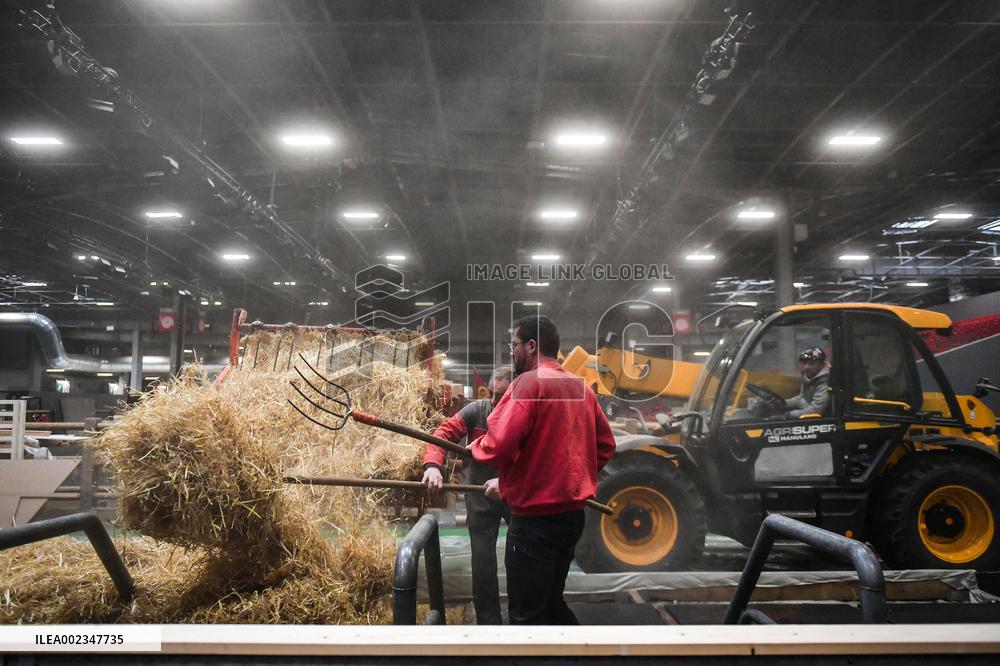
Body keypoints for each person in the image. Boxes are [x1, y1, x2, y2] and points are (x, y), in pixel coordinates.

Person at [468, 315, 616, 625]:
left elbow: (500, 443)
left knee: (526, 616)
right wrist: (572, 478)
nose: (512, 351)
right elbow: (605, 445)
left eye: (514, 345)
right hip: (572, 518)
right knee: (551, 603)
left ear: (532, 346)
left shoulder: (528, 383)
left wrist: (477, 448)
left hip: (534, 522)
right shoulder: (580, 387)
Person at [421, 368, 513, 625]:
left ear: (513, 394)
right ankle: (488, 623)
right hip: (480, 494)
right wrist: (433, 466)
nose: (494, 401)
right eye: (491, 393)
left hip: (513, 493)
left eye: (501, 395)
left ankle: (522, 621)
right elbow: (443, 434)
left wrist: (508, 484)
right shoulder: (477, 410)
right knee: (483, 562)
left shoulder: (521, 413)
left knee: (518, 558)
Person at [773, 347, 830, 418]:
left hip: (818, 421)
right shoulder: (810, 378)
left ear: (821, 365)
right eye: (804, 363)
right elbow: (801, 399)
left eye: (811, 364)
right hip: (807, 416)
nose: (806, 367)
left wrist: (790, 414)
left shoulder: (824, 383)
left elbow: (815, 410)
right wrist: (780, 404)